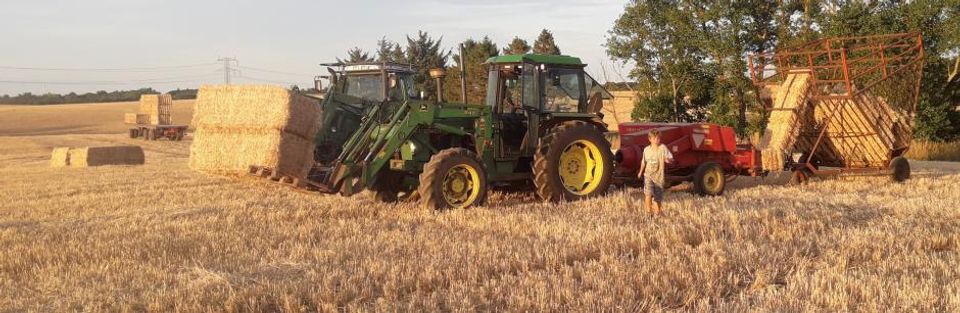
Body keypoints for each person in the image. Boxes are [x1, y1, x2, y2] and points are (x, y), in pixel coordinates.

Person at [637, 129, 673, 215]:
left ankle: (657, 213)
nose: (657, 140)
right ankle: (648, 212)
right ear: (650, 139)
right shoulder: (646, 150)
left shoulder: (663, 148)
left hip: (659, 177)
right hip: (648, 175)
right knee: (648, 194)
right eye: (655, 138)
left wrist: (668, 160)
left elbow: (671, 158)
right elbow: (643, 162)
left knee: (658, 198)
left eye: (658, 138)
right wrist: (640, 172)